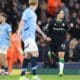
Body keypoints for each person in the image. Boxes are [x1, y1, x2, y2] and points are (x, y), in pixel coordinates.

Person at [17, 0, 48, 80]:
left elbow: (35, 25)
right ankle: (34, 75)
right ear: (37, 4)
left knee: (27, 56)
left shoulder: (33, 14)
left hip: (30, 37)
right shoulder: (27, 11)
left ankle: (22, 76)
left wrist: (42, 33)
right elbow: (22, 21)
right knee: (35, 53)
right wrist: (18, 31)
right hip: (28, 36)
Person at [47, 9, 73, 76]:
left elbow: (67, 28)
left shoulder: (64, 22)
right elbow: (46, 29)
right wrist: (48, 36)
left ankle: (61, 72)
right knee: (51, 54)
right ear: (57, 14)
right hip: (53, 42)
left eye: (63, 13)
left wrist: (70, 26)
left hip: (61, 41)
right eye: (61, 13)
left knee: (61, 55)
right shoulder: (52, 22)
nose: (63, 14)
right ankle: (51, 54)